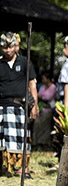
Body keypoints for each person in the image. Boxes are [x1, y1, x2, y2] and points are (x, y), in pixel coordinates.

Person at [0, 32, 38, 176]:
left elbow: (32, 84)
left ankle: (24, 169)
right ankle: (3, 167)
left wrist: (34, 105)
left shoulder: (24, 62)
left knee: (22, 139)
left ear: (15, 46)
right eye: (4, 48)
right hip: (1, 107)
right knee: (1, 141)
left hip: (19, 107)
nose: (8, 51)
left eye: (10, 47)